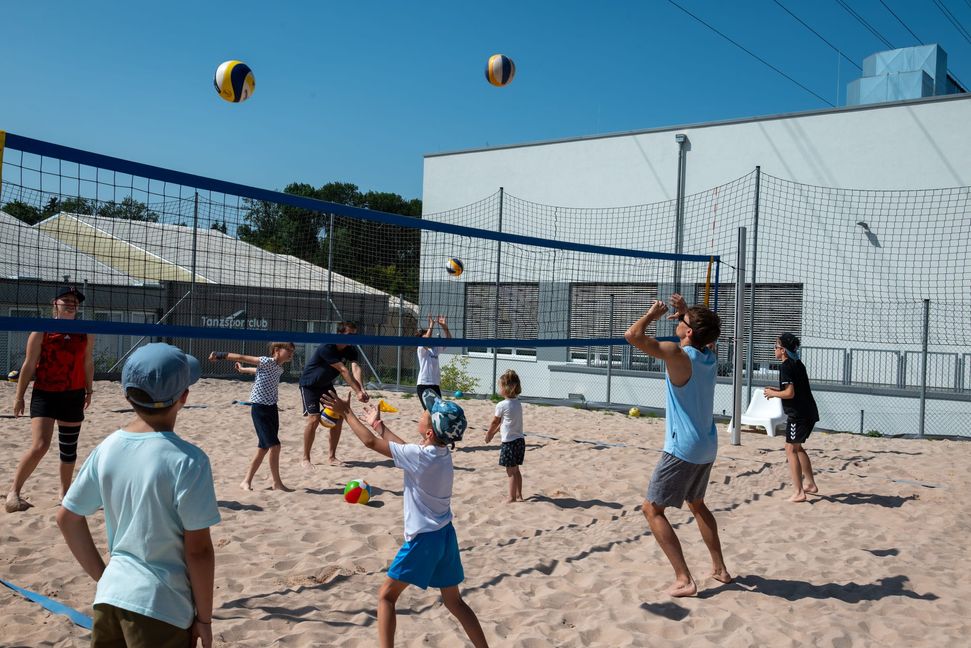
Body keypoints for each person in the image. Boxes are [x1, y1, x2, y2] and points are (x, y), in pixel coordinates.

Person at [56, 343, 220, 648]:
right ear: (184, 397)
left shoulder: (107, 448)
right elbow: (199, 551)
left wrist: (105, 578)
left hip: (109, 599)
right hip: (163, 607)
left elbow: (67, 518)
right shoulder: (189, 460)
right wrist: (205, 619)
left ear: (127, 395)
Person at [322, 390, 489, 648]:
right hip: (445, 535)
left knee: (386, 597)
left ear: (429, 433)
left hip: (424, 540)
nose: (422, 413)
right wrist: (379, 425)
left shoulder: (420, 456)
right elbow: (402, 449)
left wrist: (347, 412)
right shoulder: (440, 454)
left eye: (426, 414)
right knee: (454, 602)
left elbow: (370, 443)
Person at [624, 293, 732, 598]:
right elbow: (704, 335)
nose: (679, 321)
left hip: (683, 448)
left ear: (687, 332)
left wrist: (652, 314)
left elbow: (632, 336)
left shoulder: (677, 354)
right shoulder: (709, 356)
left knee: (652, 509)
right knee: (696, 504)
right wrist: (687, 314)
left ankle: (684, 578)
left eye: (682, 321)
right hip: (708, 444)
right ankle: (720, 569)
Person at [6, 285, 94, 513]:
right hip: (45, 394)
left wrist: (89, 390)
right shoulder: (42, 330)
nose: (71, 303)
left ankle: (64, 494)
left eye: (74, 300)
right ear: (54, 303)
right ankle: (13, 492)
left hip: (73, 394)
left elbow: (87, 362)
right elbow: (28, 365)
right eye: (65, 299)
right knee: (40, 445)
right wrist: (19, 397)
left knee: (68, 449)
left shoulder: (85, 331)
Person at [209, 342, 295, 492]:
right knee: (275, 446)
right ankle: (276, 483)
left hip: (272, 408)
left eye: (292, 351)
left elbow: (258, 371)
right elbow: (242, 357)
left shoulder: (279, 368)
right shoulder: (266, 361)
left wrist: (242, 370)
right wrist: (219, 354)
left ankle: (246, 481)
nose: (291, 353)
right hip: (260, 408)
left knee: (263, 448)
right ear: (276, 350)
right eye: (288, 350)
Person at [298, 321, 369, 468]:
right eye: (349, 334)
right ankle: (305, 458)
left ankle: (332, 457)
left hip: (325, 386)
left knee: (339, 416)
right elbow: (344, 371)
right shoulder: (327, 347)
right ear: (340, 333)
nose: (352, 338)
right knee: (314, 419)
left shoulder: (351, 349)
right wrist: (357, 392)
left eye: (354, 335)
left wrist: (361, 389)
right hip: (309, 385)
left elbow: (355, 368)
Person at [764, 332, 820, 503]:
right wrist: (776, 390)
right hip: (808, 412)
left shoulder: (786, 366)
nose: (774, 349)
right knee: (798, 448)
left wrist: (773, 393)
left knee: (790, 450)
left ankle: (798, 492)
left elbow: (789, 393)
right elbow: (796, 390)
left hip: (798, 415)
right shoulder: (798, 363)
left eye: (776, 347)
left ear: (783, 350)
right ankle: (810, 484)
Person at [485, 369, 525, 503]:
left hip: (509, 442)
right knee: (516, 470)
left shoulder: (501, 405)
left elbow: (495, 421)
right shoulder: (517, 403)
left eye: (500, 386)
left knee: (510, 472)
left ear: (506, 388)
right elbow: (503, 423)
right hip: (520, 440)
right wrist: (494, 432)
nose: (499, 389)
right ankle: (519, 495)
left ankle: (511, 497)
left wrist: (489, 433)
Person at [416, 315, 452, 408]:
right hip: (424, 384)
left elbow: (449, 340)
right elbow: (426, 340)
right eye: (427, 336)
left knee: (437, 411)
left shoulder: (435, 349)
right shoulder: (421, 349)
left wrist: (444, 326)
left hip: (435, 384)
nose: (429, 337)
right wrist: (431, 324)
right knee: (428, 412)